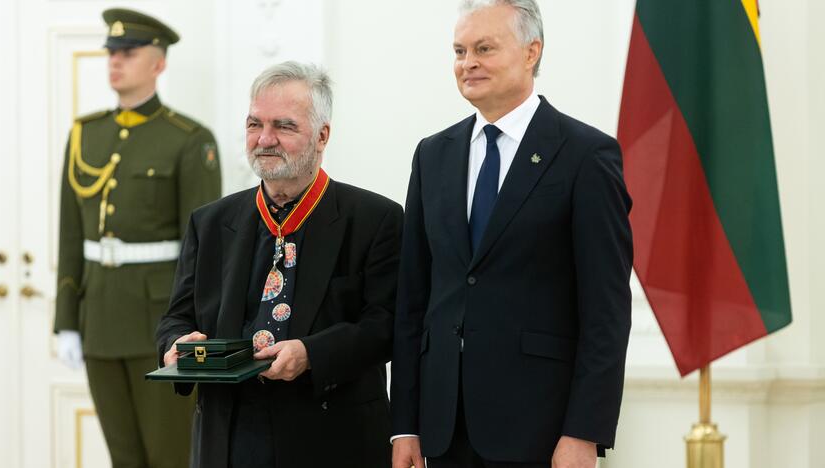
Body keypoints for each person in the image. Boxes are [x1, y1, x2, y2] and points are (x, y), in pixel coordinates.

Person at [390, 1, 633, 467]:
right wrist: (406, 424)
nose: (468, 63)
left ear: (531, 52)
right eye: (459, 51)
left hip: (540, 430)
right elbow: (413, 302)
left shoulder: (586, 156)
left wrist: (585, 431)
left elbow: (606, 311)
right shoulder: (432, 155)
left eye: (484, 48)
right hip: (443, 429)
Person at [155, 61, 401, 468]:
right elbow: (176, 318)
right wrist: (174, 346)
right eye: (255, 124)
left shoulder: (376, 219)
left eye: (284, 126)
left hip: (332, 438)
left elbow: (387, 326)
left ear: (323, 135)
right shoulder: (210, 222)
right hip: (229, 438)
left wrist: (310, 352)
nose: (264, 139)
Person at [54, 7, 222, 468]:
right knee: (123, 456)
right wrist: (66, 319)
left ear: (158, 63)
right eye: (111, 52)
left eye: (128, 53)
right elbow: (71, 233)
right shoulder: (84, 134)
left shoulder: (189, 140)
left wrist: (197, 327)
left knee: (169, 456)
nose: (115, 61)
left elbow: (204, 251)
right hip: (99, 322)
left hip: (162, 324)